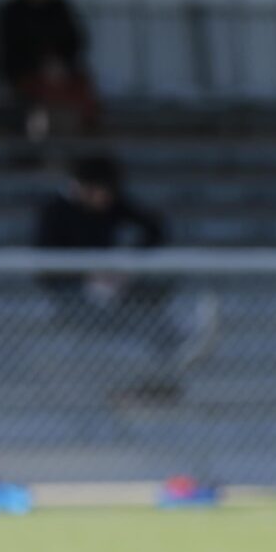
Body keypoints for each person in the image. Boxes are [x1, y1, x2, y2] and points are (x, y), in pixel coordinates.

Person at [34, 154, 211, 389]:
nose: (108, 200)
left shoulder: (113, 204)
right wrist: (86, 278)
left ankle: (177, 343)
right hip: (73, 294)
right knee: (128, 312)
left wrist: (128, 261)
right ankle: (176, 344)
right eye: (103, 193)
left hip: (114, 285)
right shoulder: (54, 213)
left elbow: (154, 226)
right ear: (85, 188)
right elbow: (45, 271)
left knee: (156, 284)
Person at [0, 0, 102, 137]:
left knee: (81, 90)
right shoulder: (14, 11)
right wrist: (40, 65)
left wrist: (60, 64)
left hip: (62, 71)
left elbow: (74, 41)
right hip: (26, 71)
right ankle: (45, 137)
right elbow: (11, 48)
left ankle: (81, 133)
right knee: (44, 99)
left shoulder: (59, 8)